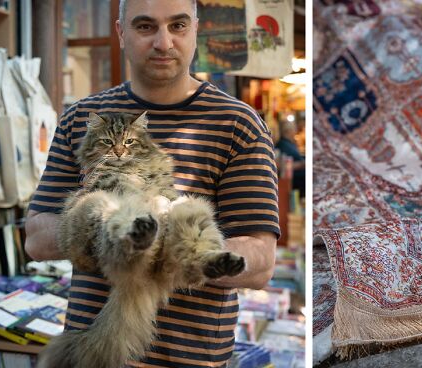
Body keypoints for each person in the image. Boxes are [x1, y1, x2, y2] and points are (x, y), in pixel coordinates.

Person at [24, 0, 279, 366]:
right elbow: (36, 239)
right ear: (121, 32)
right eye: (145, 27)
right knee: (104, 209)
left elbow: (260, 262)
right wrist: (116, 232)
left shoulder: (239, 124)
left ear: (196, 29)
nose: (163, 42)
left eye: (177, 26)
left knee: (185, 214)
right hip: (94, 357)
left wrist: (169, 250)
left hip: (191, 357)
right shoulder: (81, 119)